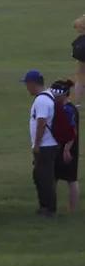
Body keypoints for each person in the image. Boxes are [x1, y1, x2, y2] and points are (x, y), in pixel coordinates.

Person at [24, 70, 60, 217]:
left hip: (45, 146)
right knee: (40, 176)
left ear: (33, 83)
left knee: (44, 178)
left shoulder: (41, 100)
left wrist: (37, 144)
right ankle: (45, 206)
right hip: (48, 144)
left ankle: (48, 208)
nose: (27, 88)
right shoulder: (47, 96)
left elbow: (41, 123)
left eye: (27, 84)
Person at [50, 80, 79, 213]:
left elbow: (72, 132)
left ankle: (72, 209)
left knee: (71, 179)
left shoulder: (68, 110)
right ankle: (51, 206)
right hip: (59, 147)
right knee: (54, 177)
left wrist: (67, 149)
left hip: (66, 148)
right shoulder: (62, 107)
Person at [72, 15, 85, 106]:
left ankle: (77, 103)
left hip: (82, 49)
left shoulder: (83, 19)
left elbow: (75, 25)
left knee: (80, 79)